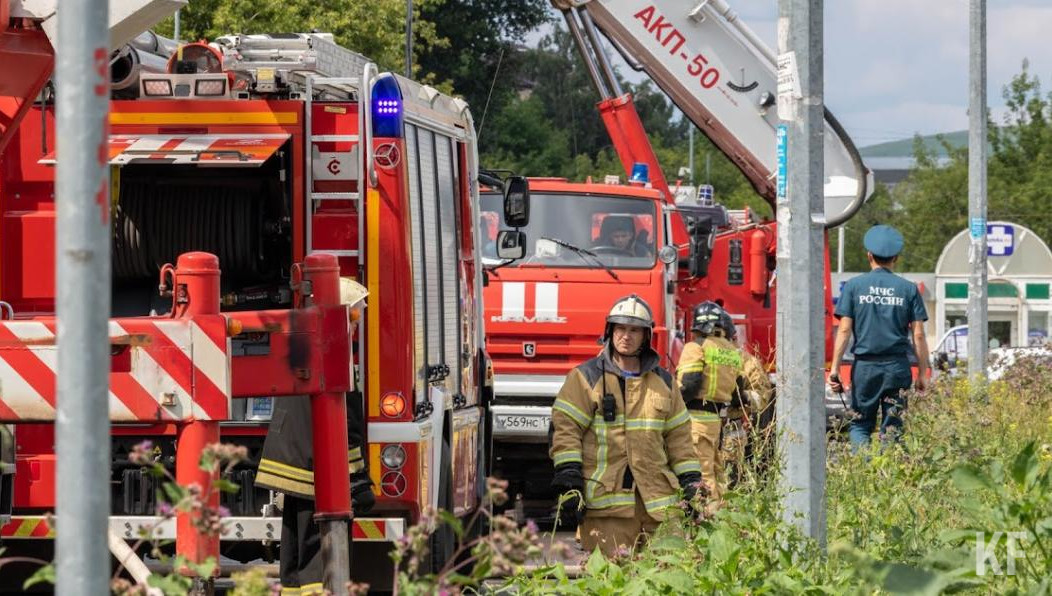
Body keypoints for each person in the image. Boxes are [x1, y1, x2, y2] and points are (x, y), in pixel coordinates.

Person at [549, 295, 701, 557]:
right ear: (610, 331)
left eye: (634, 330)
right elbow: (566, 429)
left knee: (668, 579)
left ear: (646, 336)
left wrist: (691, 482)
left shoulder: (663, 382)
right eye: (620, 328)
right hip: (608, 509)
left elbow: (680, 438)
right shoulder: (586, 378)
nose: (626, 336)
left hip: (660, 506)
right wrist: (569, 477)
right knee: (610, 582)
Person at [256, 278, 375, 595]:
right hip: (312, 466)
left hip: (291, 459)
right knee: (315, 544)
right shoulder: (334, 352)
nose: (359, 322)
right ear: (343, 313)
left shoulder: (305, 344)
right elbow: (344, 421)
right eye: (357, 314)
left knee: (295, 542)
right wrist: (360, 480)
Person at [829, 224, 929, 450]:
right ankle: (888, 477)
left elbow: (844, 330)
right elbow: (919, 336)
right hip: (897, 367)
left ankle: (865, 474)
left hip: (865, 368)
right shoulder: (908, 289)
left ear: (869, 255)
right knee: (893, 426)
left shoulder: (854, 287)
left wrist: (835, 368)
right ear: (896, 258)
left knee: (860, 423)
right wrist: (922, 372)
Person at [676, 301, 747, 504]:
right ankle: (723, 518)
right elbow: (738, 395)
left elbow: (689, 385)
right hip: (715, 421)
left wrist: (671, 404)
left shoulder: (696, 347)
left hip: (694, 421)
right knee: (717, 474)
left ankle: (707, 523)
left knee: (701, 476)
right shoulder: (732, 352)